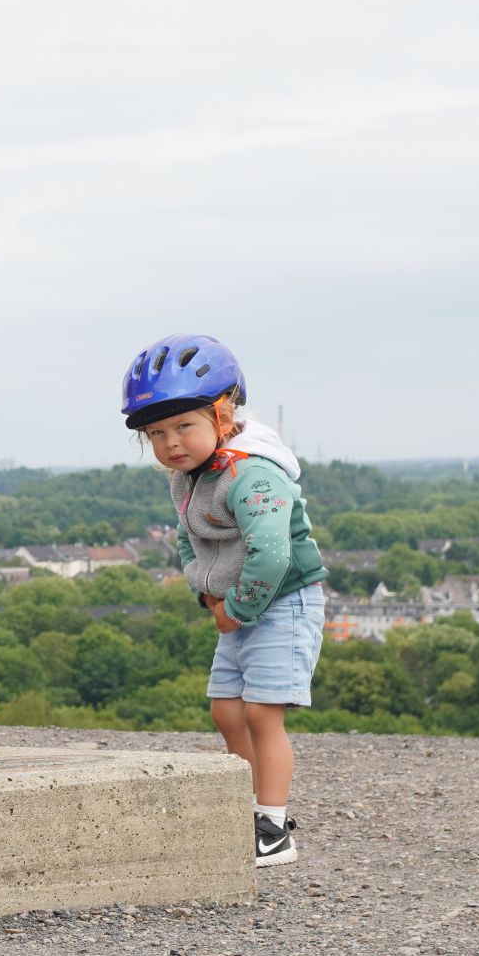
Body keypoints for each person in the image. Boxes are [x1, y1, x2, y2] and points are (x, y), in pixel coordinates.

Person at [121, 334, 327, 867]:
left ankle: (273, 828)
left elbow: (273, 552)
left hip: (282, 600)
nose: (171, 444)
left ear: (224, 413)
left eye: (185, 426)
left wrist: (236, 610)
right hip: (235, 603)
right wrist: (206, 591)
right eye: (157, 434)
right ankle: (243, 807)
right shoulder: (187, 478)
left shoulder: (252, 473)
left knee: (262, 712)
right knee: (227, 711)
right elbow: (190, 537)